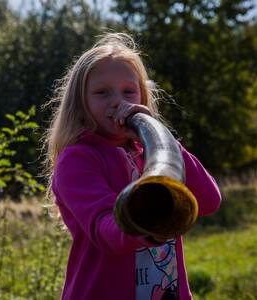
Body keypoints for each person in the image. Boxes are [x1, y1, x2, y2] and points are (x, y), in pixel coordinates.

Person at [44, 32, 221, 300]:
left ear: (142, 96)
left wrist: (163, 138)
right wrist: (150, 220)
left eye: (129, 91)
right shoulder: (78, 160)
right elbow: (106, 231)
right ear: (81, 104)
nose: (118, 101)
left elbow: (208, 200)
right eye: (102, 93)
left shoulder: (150, 152)